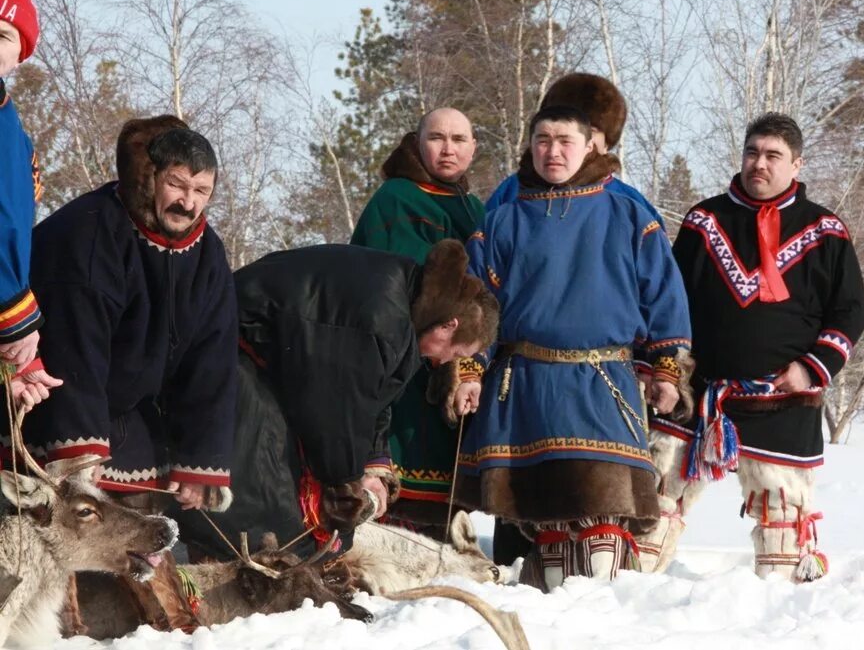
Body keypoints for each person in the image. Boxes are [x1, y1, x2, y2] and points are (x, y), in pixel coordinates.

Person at [452, 105, 694, 591]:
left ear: (590, 146)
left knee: (601, 517)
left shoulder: (628, 211)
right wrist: (469, 371)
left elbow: (663, 293)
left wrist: (666, 370)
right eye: (542, 140)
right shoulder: (504, 219)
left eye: (565, 140)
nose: (552, 151)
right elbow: (479, 305)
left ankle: (598, 623)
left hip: (601, 383)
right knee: (541, 526)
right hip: (525, 385)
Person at [17, 115, 237, 630]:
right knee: (67, 501)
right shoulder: (90, 233)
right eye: (177, 184)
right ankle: (57, 619)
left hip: (125, 401)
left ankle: (163, 620)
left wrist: (200, 461)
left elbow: (213, 359)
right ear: (149, 179)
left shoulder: (208, 253)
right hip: (49, 392)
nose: (188, 201)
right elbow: (76, 345)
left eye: (201, 190)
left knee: (144, 489)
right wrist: (79, 454)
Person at [178, 239, 500, 562]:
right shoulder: (382, 321)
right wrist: (344, 491)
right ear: (449, 326)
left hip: (276, 366)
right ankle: (229, 561)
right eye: (456, 353)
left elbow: (374, 398)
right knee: (271, 503)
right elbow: (335, 413)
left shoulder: (411, 316)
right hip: (230, 352)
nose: (447, 362)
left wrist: (374, 465)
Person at [665, 112, 864, 582]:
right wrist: (667, 372)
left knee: (781, 533)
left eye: (773, 155)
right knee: (652, 512)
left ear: (796, 164)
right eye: (752, 152)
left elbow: (850, 311)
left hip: (783, 401)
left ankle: (781, 624)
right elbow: (670, 300)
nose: (760, 163)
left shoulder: (825, 229)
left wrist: (811, 368)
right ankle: (629, 612)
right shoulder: (705, 220)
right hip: (699, 397)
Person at [349, 108, 485, 538]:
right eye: (437, 138)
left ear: (473, 148)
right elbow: (414, 292)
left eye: (459, 139)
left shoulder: (476, 208)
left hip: (462, 359)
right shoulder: (395, 199)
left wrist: (469, 362)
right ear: (417, 141)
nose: (448, 149)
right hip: (406, 362)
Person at [485, 72, 663, 226]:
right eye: (563, 134)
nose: (576, 143)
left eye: (590, 132)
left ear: (607, 141)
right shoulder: (513, 190)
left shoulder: (631, 204)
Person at [0, 0, 62, 410]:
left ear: (19, 53)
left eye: (1, 35)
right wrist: (14, 320)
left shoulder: (14, 133)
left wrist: (17, 365)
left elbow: (14, 230)